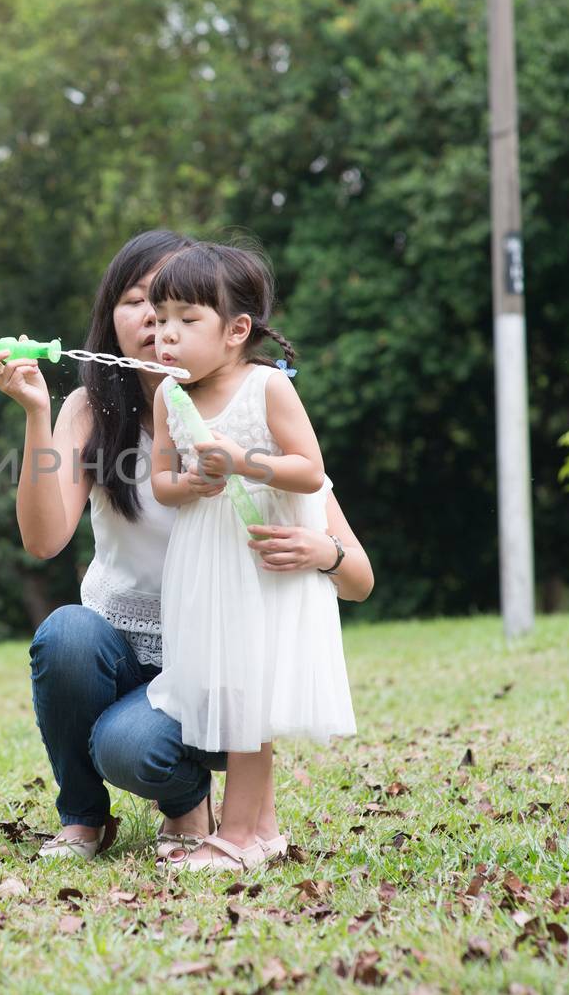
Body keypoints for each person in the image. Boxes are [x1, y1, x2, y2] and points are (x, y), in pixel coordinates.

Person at [0, 230, 374, 864]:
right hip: (121, 650)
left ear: (227, 326)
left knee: (127, 745)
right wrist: (33, 413)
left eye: (176, 308)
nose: (155, 322)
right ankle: (83, 819)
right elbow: (43, 539)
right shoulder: (92, 409)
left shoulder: (253, 405)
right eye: (139, 303)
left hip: (220, 663)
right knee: (66, 637)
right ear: (112, 316)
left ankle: (194, 805)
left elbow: (357, 577)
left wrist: (316, 550)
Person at [145, 241, 355, 872]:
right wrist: (192, 484)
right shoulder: (168, 398)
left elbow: (309, 470)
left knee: (249, 697)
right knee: (227, 685)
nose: (166, 337)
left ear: (237, 330)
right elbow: (161, 482)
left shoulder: (266, 387)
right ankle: (262, 832)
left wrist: (240, 461)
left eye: (186, 320)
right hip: (206, 561)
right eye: (159, 321)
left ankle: (235, 836)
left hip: (261, 560)